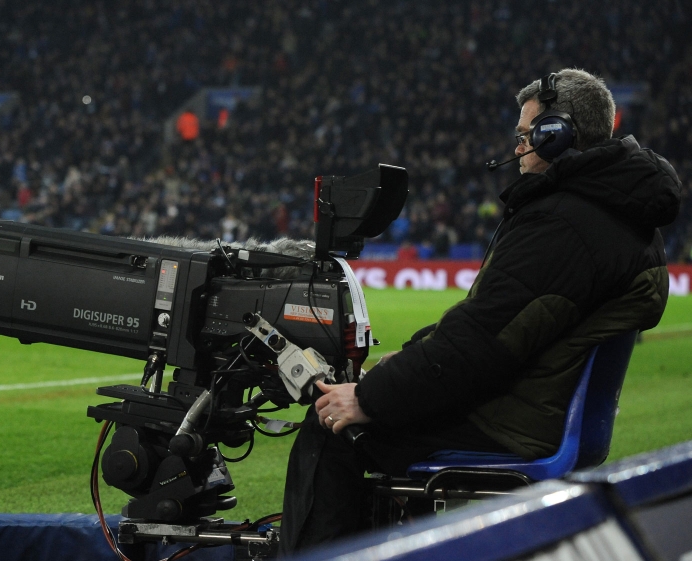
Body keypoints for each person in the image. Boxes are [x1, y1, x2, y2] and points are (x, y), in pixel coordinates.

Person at [280, 68, 682, 553]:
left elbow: (476, 347)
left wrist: (368, 397)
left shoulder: (563, 224)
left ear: (556, 136)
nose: (518, 147)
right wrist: (405, 361)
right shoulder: (616, 211)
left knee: (331, 426)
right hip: (543, 410)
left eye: (526, 135)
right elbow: (490, 321)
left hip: (514, 422)